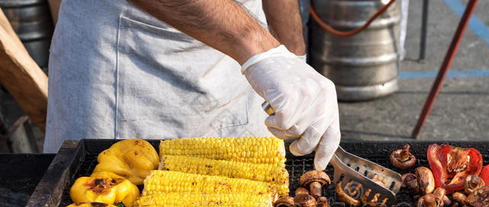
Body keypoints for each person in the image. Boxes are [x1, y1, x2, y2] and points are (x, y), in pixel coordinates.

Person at [45, 0, 340, 170]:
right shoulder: (255, 45)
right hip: (131, 57)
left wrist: (291, 54)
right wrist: (261, 49)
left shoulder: (261, 50)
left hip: (245, 55)